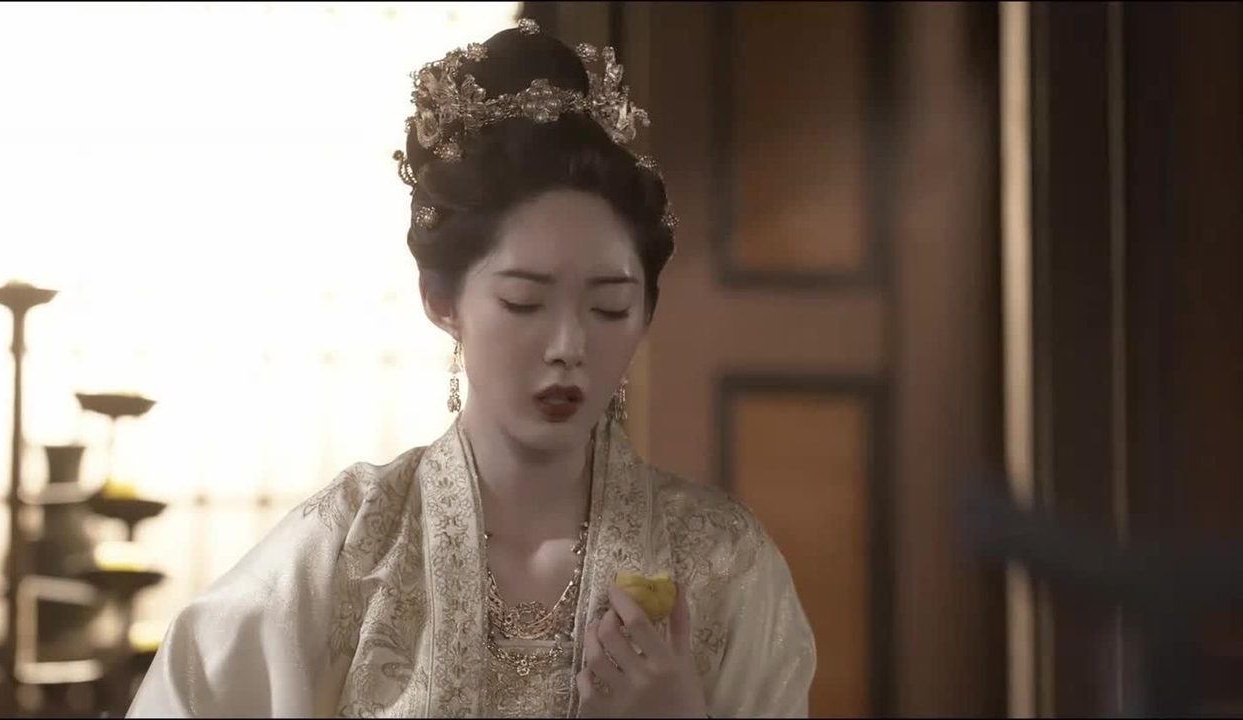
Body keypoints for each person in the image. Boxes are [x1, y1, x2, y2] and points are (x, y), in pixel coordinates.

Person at [127, 19, 815, 719]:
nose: (568, 345)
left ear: (645, 315)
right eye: (524, 302)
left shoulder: (724, 564)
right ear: (441, 300)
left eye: (609, 307)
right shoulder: (346, 553)